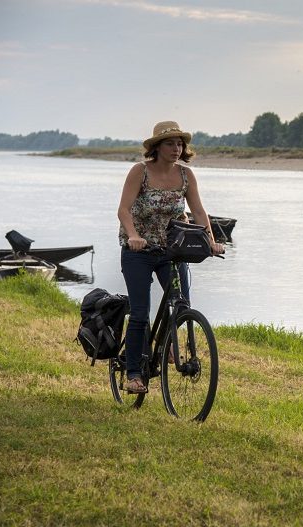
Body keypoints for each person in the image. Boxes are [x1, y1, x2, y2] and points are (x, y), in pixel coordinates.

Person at [117, 120, 225, 394]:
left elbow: (199, 212)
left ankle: (170, 347)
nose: (177, 148)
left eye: (180, 144)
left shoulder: (186, 175)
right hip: (138, 251)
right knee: (140, 313)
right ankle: (133, 374)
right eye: (170, 143)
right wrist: (133, 236)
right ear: (157, 147)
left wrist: (211, 242)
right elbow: (124, 210)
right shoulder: (139, 172)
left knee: (181, 304)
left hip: (172, 251)